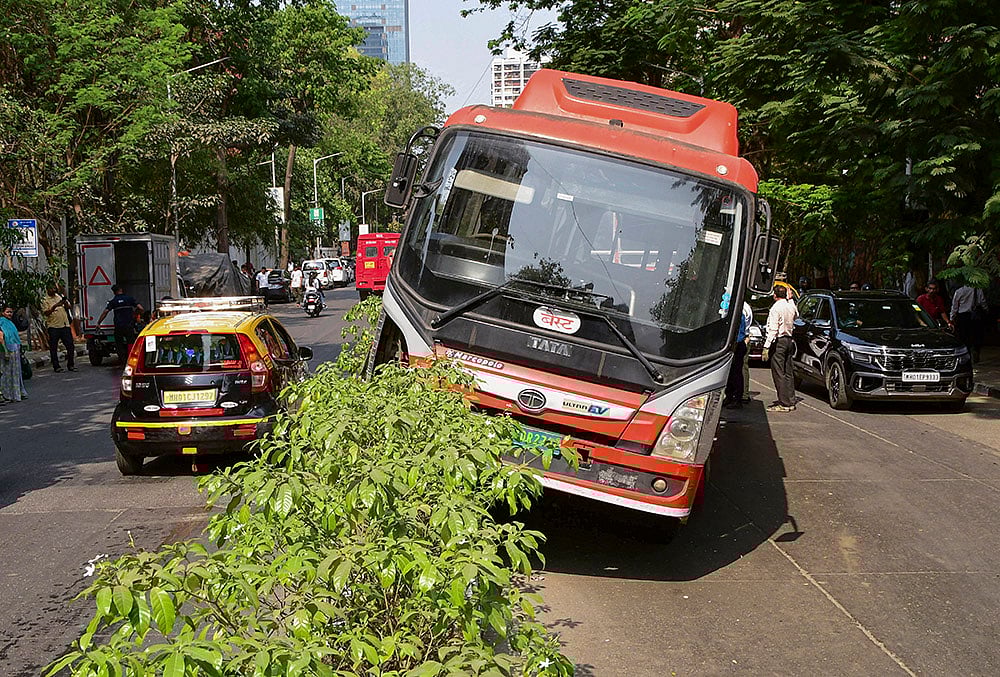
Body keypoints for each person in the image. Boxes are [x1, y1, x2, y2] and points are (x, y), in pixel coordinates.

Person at [762, 285, 798, 412]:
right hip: (789, 339)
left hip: (779, 341)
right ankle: (791, 400)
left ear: (775, 295)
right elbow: (796, 315)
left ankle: (784, 403)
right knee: (788, 371)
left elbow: (773, 329)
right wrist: (791, 299)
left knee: (778, 372)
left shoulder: (775, 308)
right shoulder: (790, 305)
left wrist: (766, 346)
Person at [97, 284, 143, 364]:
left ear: (114, 292)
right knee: (131, 343)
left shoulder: (113, 302)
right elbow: (141, 308)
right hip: (129, 326)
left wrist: (98, 323)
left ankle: (122, 360)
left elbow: (105, 312)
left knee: (119, 344)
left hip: (119, 327)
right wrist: (135, 315)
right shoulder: (129, 299)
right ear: (121, 289)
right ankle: (131, 359)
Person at [41, 283, 75, 372]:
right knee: (53, 347)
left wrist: (65, 303)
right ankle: (56, 366)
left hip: (65, 325)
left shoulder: (59, 296)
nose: (53, 290)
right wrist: (55, 306)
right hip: (53, 326)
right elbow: (46, 313)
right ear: (47, 289)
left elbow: (68, 307)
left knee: (70, 346)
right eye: (51, 288)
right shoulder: (45, 300)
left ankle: (71, 365)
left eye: (54, 288)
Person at [951, 280, 987, 362]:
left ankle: (967, 354)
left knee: (964, 337)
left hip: (963, 316)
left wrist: (952, 317)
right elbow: (982, 301)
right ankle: (976, 350)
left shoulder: (959, 291)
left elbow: (955, 306)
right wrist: (985, 310)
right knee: (976, 335)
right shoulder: (978, 289)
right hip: (975, 316)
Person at [0, 305, 28, 403]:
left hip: (15, 348)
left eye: (11, 312)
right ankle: (7, 394)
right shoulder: (2, 322)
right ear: (3, 313)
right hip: (7, 349)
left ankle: (17, 393)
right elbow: (1, 337)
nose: (10, 314)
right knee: (7, 373)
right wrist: (6, 351)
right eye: (7, 312)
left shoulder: (11, 322)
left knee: (16, 372)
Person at [723, 306, 749, 408]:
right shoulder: (731, 313)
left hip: (737, 346)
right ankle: (729, 396)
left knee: (736, 373)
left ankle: (737, 399)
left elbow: (740, 333)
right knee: (729, 373)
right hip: (731, 345)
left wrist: (735, 345)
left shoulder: (739, 315)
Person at [741, 301, 753, 403]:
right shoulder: (746, 306)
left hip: (742, 339)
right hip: (743, 337)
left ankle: (744, 394)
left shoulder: (743, 307)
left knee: (741, 366)